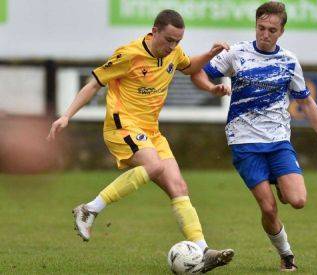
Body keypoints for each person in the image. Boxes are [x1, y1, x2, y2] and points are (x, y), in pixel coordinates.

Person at [47, 9, 234, 273]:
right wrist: (66, 115)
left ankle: (202, 251)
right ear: (154, 31)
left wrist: (211, 64)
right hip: (121, 125)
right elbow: (93, 84)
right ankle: (89, 209)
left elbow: (190, 66)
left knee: (179, 186)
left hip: (150, 131)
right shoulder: (129, 54)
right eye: (169, 39)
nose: (173, 46)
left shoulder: (173, 53)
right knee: (155, 166)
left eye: (178, 41)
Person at [190, 1, 317, 272]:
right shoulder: (236, 54)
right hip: (244, 142)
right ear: (255, 25)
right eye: (261, 27)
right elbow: (196, 72)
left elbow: (305, 103)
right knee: (269, 209)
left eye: (272, 29)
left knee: (298, 201)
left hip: (279, 141)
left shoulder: (289, 61)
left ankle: (280, 182)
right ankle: (286, 254)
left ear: (281, 32)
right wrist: (212, 88)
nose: (265, 33)